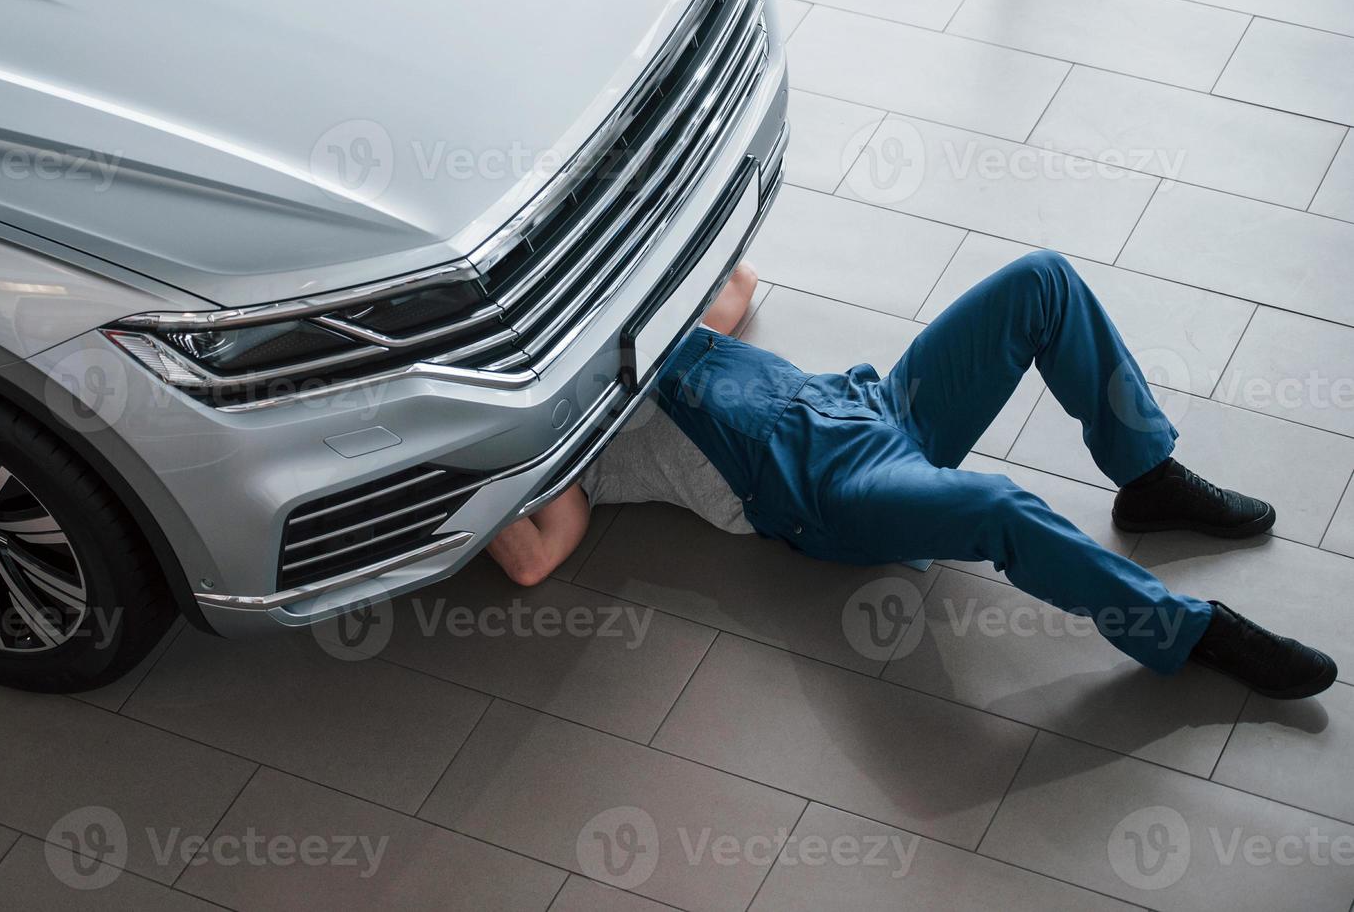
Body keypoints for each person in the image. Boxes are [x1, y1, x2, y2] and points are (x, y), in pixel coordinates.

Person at [486, 251, 1337, 700]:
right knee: (1001, 506)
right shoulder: (569, 444)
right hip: (832, 497)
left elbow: (738, 278)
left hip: (886, 408)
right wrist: (460, 466)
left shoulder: (660, 329)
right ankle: (1188, 635)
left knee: (1042, 280)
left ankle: (1147, 475)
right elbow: (532, 556)